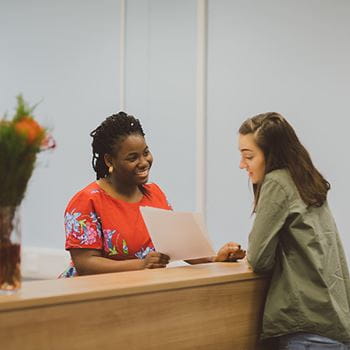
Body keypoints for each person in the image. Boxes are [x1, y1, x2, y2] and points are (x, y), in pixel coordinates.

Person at [60, 112, 244, 277]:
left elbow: (178, 246)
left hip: (141, 291)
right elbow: (85, 264)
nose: (144, 162)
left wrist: (216, 258)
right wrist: (141, 265)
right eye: (132, 158)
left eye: (146, 152)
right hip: (90, 297)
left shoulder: (154, 194)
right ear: (109, 160)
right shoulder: (86, 200)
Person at [238, 112, 350, 349]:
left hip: (306, 330)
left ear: (271, 154)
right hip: (333, 323)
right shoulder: (306, 179)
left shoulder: (277, 182)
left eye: (248, 156)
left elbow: (259, 259)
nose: (242, 164)